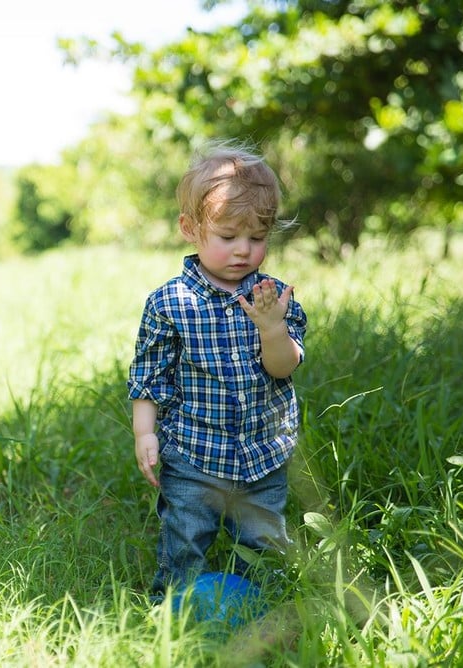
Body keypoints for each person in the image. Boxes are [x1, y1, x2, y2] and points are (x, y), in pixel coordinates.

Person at [127, 141, 307, 603]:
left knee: (266, 545)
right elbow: (149, 375)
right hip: (192, 455)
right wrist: (145, 434)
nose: (244, 250)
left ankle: (271, 614)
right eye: (228, 237)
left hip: (262, 454)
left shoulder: (276, 296)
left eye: (258, 237)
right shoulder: (169, 302)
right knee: (184, 539)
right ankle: (171, 613)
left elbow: (283, 368)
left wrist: (272, 328)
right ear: (191, 229)